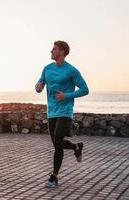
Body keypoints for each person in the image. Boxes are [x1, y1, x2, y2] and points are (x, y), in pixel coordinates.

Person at [35, 41, 89, 188]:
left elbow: (85, 89)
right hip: (51, 112)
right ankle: (76, 147)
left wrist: (67, 95)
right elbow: (39, 85)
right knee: (57, 143)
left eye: (54, 49)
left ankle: (54, 176)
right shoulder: (47, 69)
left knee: (58, 139)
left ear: (62, 52)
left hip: (65, 111)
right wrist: (38, 87)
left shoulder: (71, 70)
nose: (51, 51)